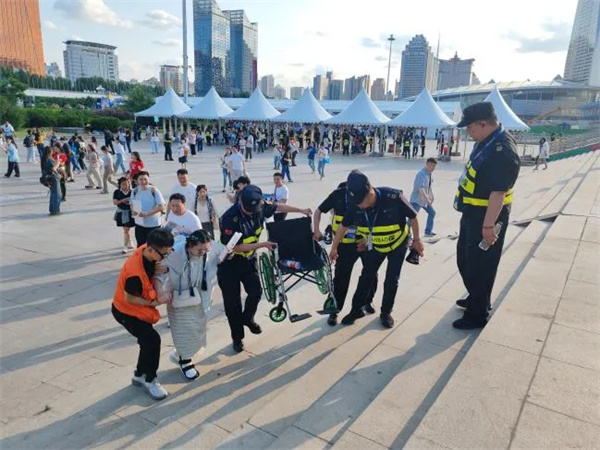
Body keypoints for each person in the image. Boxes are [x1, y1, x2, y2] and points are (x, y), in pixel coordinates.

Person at [218, 185, 312, 352]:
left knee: (256, 292)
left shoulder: (259, 207)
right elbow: (235, 247)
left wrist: (300, 210)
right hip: (229, 263)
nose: (251, 213)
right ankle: (237, 338)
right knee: (233, 305)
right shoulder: (229, 218)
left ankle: (248, 318)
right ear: (241, 202)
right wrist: (262, 245)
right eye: (248, 210)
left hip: (249, 261)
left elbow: (279, 207)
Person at [452, 102, 520, 329]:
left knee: (481, 265)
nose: (468, 131)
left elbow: (498, 193)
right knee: (465, 260)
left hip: (487, 218)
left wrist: (488, 227)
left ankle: (477, 314)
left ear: (483, 124)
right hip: (472, 214)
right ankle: (477, 298)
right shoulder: (487, 141)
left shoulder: (502, 151)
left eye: (470, 127)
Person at [330, 170, 425, 329]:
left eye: (361, 202)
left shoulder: (393, 197)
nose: (359, 206)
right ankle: (356, 310)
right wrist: (334, 248)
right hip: (375, 246)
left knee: (392, 280)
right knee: (366, 276)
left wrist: (416, 240)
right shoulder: (355, 204)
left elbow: (413, 217)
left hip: (398, 244)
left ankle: (386, 313)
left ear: (370, 193)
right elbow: (343, 226)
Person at [153, 230, 227, 380]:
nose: (203, 252)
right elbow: (158, 274)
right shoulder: (175, 252)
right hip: (180, 298)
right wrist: (161, 292)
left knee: (198, 329)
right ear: (189, 246)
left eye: (206, 250)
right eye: (199, 250)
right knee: (183, 330)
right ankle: (185, 361)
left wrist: (227, 254)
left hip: (202, 296)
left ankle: (179, 355)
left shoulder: (210, 247)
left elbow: (223, 251)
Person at [111, 228, 174, 400]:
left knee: (146, 341)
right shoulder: (135, 273)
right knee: (153, 340)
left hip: (135, 309)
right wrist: (152, 303)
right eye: (163, 255)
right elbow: (129, 298)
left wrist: (158, 269)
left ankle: (139, 374)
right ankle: (150, 380)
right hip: (126, 311)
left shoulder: (147, 252)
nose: (165, 258)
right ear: (151, 249)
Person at [313, 182, 378, 326]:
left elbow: (377, 221)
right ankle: (335, 310)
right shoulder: (337, 195)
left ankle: (367, 301)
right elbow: (318, 211)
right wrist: (316, 230)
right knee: (341, 278)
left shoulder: (368, 196)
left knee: (371, 273)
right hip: (344, 244)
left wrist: (368, 240)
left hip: (364, 242)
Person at [131, 171, 166, 247]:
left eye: (145, 179)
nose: (143, 182)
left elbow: (162, 206)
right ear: (137, 181)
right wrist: (133, 211)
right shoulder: (135, 191)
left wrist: (147, 213)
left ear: (149, 179)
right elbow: (131, 204)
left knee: (155, 247)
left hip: (153, 225)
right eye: (141, 179)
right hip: (140, 225)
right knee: (141, 247)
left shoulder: (153, 190)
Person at [410, 158, 438, 237]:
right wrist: (427, 200)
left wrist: (431, 197)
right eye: (432, 166)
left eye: (434, 167)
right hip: (416, 201)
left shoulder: (428, 174)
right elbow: (421, 189)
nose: (434, 168)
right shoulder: (421, 174)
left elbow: (429, 187)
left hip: (424, 201)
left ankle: (428, 232)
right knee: (411, 218)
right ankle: (404, 233)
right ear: (427, 164)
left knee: (432, 213)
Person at [113, 177, 136, 253]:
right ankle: (127, 244)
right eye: (123, 184)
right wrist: (122, 201)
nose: (125, 186)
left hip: (130, 212)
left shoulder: (133, 191)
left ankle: (127, 243)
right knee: (126, 229)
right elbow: (115, 202)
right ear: (120, 185)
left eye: (127, 184)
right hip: (122, 212)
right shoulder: (117, 192)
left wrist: (130, 203)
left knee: (127, 229)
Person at [42, 147, 61, 215]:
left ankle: (52, 209)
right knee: (57, 195)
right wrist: (58, 163)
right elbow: (53, 169)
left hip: (50, 178)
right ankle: (55, 210)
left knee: (53, 194)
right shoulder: (49, 159)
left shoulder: (45, 159)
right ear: (50, 152)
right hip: (54, 178)